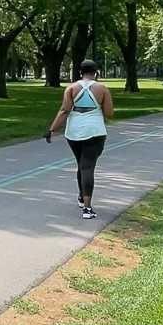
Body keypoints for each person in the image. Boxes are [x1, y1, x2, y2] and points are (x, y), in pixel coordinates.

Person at [45, 61, 115, 220]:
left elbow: (64, 111)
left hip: (73, 132)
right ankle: (87, 208)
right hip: (95, 132)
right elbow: (109, 113)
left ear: (80, 72)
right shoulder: (102, 89)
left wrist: (52, 130)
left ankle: (82, 197)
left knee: (81, 165)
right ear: (95, 72)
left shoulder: (71, 88)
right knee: (87, 167)